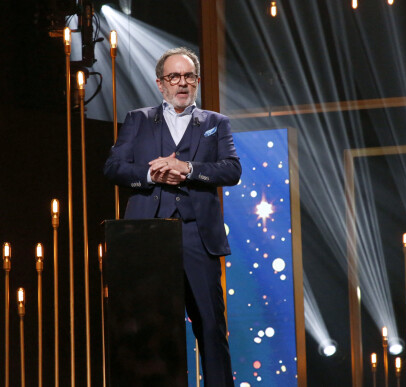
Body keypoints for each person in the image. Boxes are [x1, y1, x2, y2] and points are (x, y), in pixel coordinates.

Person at [104, 47, 240, 387]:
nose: (182, 83)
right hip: (148, 236)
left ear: (197, 81)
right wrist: (152, 176)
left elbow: (231, 169)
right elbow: (114, 168)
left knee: (209, 325)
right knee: (149, 326)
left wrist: (188, 168)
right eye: (174, 77)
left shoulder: (214, 123)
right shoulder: (139, 119)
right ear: (160, 83)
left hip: (198, 234)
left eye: (188, 76)